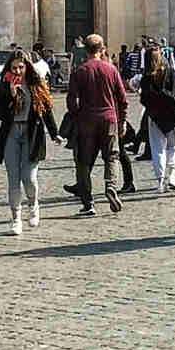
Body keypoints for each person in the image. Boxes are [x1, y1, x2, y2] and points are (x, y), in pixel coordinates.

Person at [0, 49, 57, 235]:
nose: (17, 71)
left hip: (31, 133)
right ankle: (15, 218)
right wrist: (10, 94)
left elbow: (46, 110)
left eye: (20, 67)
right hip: (11, 133)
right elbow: (0, 115)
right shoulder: (3, 86)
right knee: (13, 178)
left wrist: (54, 133)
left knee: (29, 177)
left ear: (27, 66)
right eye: (14, 68)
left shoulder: (36, 84)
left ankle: (33, 204)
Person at [65, 35, 127, 216]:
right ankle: (111, 186)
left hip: (86, 121)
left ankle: (88, 203)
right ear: (102, 49)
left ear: (85, 49)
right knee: (112, 157)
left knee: (83, 162)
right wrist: (122, 121)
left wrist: (76, 116)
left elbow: (71, 100)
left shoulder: (80, 71)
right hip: (109, 119)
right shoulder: (111, 69)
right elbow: (123, 99)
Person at [135, 45, 175, 193]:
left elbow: (144, 100)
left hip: (155, 117)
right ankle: (172, 174)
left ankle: (161, 180)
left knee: (158, 148)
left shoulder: (146, 78)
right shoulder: (171, 73)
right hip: (172, 115)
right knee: (173, 145)